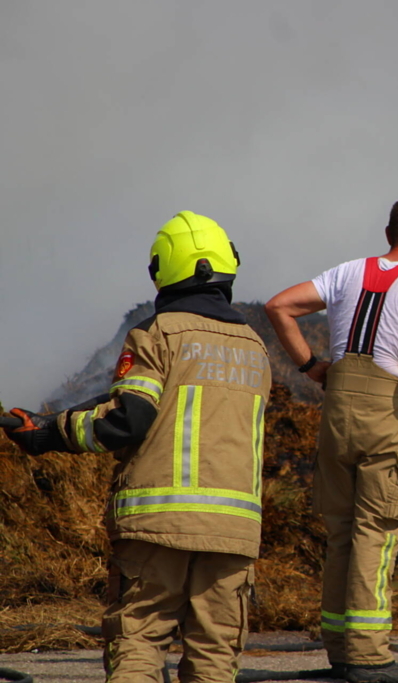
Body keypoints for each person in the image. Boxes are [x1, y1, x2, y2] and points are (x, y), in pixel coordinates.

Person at [3, 212, 272, 682]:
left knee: (139, 641)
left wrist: (49, 433)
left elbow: (131, 417)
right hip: (234, 533)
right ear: (229, 263)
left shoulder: (158, 333)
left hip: (157, 526)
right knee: (214, 655)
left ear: (162, 270)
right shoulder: (255, 347)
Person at [265, 195, 398, 683]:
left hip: (337, 414)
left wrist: (311, 366)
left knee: (341, 533)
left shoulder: (348, 272)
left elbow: (279, 306)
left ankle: (338, 646)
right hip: (389, 415)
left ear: (387, 231)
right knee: (378, 532)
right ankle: (369, 656)